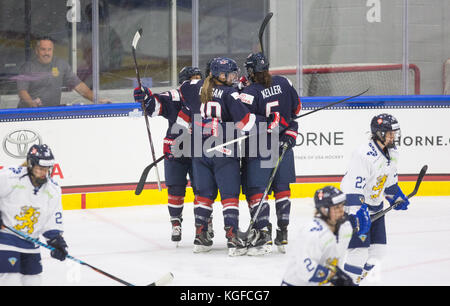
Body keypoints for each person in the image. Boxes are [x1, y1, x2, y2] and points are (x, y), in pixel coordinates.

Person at [175, 57, 266, 256]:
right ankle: (233, 238)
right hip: (224, 150)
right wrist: (265, 120)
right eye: (231, 74)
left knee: (204, 195)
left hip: (199, 151)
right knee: (229, 196)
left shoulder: (195, 87)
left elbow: (179, 93)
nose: (234, 77)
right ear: (220, 75)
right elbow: (245, 123)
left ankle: (201, 237)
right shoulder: (230, 93)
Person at [133, 66, 207, 246]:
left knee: (202, 189)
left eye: (199, 78)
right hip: (177, 149)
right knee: (175, 188)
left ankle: (204, 225)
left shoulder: (209, 97)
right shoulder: (175, 95)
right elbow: (155, 106)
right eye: (192, 78)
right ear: (183, 81)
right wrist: (145, 97)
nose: (196, 81)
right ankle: (176, 222)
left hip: (200, 148)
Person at [239, 52, 302, 255]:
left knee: (256, 191)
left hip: (258, 146)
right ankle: (282, 233)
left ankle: (263, 232)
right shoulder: (284, 82)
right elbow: (297, 109)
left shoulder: (249, 92)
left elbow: (243, 123)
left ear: (250, 71)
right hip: (283, 143)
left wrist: (241, 90)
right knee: (282, 189)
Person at [340, 113, 409, 285]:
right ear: (379, 133)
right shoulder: (363, 155)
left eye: (395, 133)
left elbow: (389, 182)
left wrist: (396, 196)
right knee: (359, 252)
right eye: (390, 133)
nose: (393, 137)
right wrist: (358, 211)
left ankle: (351, 281)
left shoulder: (392, 153)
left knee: (378, 252)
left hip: (376, 208)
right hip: (355, 208)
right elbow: (352, 188)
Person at [0, 144, 68, 286]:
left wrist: (56, 241)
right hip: (6, 240)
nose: (44, 172)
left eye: (47, 169)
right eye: (41, 169)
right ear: (31, 165)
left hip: (31, 244)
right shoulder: (10, 176)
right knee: (10, 281)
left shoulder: (52, 189)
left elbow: (51, 219)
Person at [281, 186, 370, 286]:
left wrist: (339, 276)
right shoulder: (312, 233)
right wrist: (335, 277)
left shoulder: (345, 227)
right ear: (324, 210)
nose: (341, 211)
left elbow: (332, 262)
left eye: (342, 206)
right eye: (336, 208)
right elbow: (305, 270)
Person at [16, 36, 110, 108]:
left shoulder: (61, 65)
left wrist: (97, 100)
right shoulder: (27, 68)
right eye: (43, 49)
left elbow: (80, 87)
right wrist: (32, 103)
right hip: (28, 114)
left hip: (52, 113)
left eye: (49, 49)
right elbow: (22, 91)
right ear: (37, 51)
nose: (46, 53)